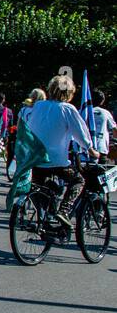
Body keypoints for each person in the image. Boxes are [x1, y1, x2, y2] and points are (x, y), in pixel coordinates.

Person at [23, 75, 98, 230]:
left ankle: (47, 217)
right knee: (78, 181)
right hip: (56, 159)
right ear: (69, 92)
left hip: (34, 158)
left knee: (40, 187)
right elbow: (81, 134)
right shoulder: (67, 108)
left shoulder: (38, 106)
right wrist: (90, 149)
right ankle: (63, 212)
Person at [90, 90, 115, 163]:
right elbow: (115, 130)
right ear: (102, 101)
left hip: (84, 151)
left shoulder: (81, 112)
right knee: (105, 170)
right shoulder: (105, 113)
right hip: (101, 149)